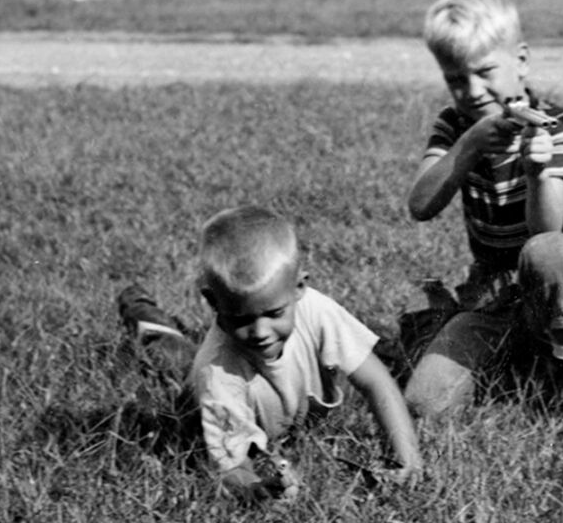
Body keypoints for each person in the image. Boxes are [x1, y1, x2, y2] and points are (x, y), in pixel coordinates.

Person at [117, 205, 422, 502]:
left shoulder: (316, 310)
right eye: (241, 319)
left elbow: (377, 382)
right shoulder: (216, 374)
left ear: (299, 287)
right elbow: (233, 468)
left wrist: (408, 460)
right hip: (204, 397)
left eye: (274, 313)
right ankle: (141, 311)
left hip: (276, 409)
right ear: (213, 301)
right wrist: (258, 488)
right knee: (171, 355)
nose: (260, 332)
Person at [403, 0, 563, 417]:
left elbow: (547, 238)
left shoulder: (556, 126)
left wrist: (537, 172)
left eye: (485, 71)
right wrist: (469, 145)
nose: (472, 90)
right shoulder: (457, 126)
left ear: (521, 60)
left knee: (550, 252)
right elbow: (420, 205)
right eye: (455, 79)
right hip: (492, 296)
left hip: (557, 295)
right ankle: (518, 366)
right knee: (424, 403)